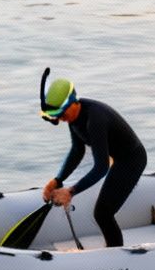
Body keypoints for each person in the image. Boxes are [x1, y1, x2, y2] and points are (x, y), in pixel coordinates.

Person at [38, 70, 147, 249]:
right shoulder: (74, 118)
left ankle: (115, 256)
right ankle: (112, 251)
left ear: (72, 102)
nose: (61, 119)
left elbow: (101, 167)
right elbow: (77, 150)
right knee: (102, 212)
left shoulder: (95, 120)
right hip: (118, 159)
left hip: (132, 160)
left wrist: (70, 191)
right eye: (57, 116)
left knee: (103, 213)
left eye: (62, 113)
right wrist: (58, 179)